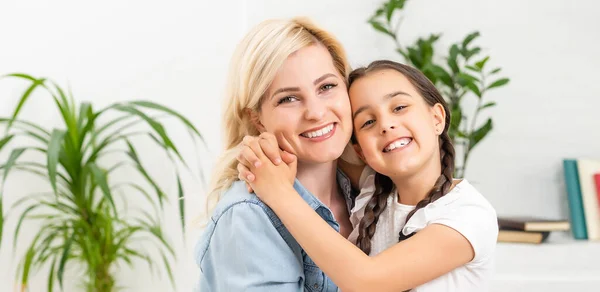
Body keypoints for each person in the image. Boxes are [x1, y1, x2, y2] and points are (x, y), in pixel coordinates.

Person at [237, 60, 499, 292]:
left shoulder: (468, 215)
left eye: (399, 107)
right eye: (368, 122)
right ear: (360, 151)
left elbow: (367, 280)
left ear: (437, 118)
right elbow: (317, 144)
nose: (386, 125)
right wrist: (262, 154)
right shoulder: (374, 189)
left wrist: (280, 193)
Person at [195, 17, 358, 292]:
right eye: (288, 99)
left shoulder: (367, 191)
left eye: (326, 87)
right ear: (257, 119)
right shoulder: (249, 216)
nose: (316, 112)